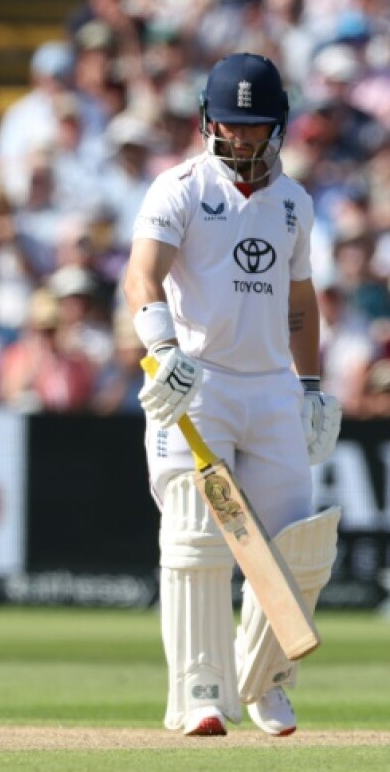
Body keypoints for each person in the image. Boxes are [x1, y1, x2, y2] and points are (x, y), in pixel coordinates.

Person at [122, 53, 342, 738]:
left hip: (272, 387)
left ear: (278, 126)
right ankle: (201, 693)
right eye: (230, 124)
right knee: (196, 537)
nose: (242, 137)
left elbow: (300, 302)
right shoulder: (179, 188)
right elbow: (141, 277)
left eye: (255, 126)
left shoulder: (294, 202)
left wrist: (310, 386)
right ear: (207, 121)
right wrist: (163, 351)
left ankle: (266, 682)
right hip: (197, 384)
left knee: (299, 546)